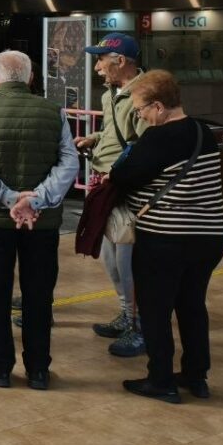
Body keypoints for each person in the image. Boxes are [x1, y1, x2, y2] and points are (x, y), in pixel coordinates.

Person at [0, 50, 79, 390]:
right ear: (31, 78)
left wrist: (9, 198)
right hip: (42, 222)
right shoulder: (53, 111)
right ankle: (38, 369)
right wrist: (36, 199)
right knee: (39, 293)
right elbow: (69, 162)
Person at [111, 71, 223, 403]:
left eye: (140, 109)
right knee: (192, 305)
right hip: (211, 236)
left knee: (155, 309)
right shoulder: (202, 131)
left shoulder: (158, 137)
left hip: (166, 236)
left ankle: (161, 379)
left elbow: (122, 177)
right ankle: (196, 376)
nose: (140, 116)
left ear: (159, 107)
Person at [76, 32, 148, 357]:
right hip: (106, 187)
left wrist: (124, 175)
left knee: (127, 263)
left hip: (126, 189)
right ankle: (125, 314)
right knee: (110, 259)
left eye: (101, 60)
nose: (97, 67)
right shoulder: (110, 95)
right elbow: (113, 131)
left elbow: (147, 147)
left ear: (120, 61)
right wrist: (94, 138)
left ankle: (139, 325)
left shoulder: (144, 94)